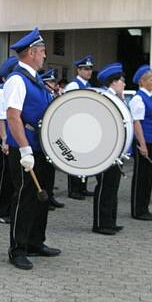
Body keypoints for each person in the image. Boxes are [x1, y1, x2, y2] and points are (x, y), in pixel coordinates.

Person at [4, 28, 61, 270]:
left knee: (42, 196)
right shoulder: (17, 80)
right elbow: (13, 117)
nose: (45, 56)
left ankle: (36, 241)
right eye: (42, 52)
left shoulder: (36, 81)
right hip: (27, 149)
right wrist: (25, 149)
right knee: (25, 198)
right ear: (31, 52)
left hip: (42, 147)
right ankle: (18, 248)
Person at [92, 62, 127, 235]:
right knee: (105, 185)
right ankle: (101, 223)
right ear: (113, 82)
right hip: (106, 150)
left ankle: (110, 221)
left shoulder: (117, 98)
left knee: (112, 186)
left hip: (115, 149)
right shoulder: (106, 98)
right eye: (122, 81)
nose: (124, 84)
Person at [129, 64, 152, 221]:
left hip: (151, 141)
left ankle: (144, 207)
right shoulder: (138, 98)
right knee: (141, 176)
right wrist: (142, 145)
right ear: (142, 82)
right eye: (151, 80)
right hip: (144, 141)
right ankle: (138, 209)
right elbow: (137, 123)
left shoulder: (149, 97)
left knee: (148, 176)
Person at [0, 56, 18, 224]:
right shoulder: (1, 92)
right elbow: (0, 118)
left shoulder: (8, 91)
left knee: (10, 176)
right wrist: (5, 140)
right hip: (4, 135)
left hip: (10, 135)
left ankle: (7, 209)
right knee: (4, 176)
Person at [64, 55, 95, 199]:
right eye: (85, 69)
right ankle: (74, 189)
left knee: (85, 158)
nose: (89, 72)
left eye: (90, 69)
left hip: (86, 126)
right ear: (78, 70)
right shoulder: (74, 85)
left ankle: (82, 187)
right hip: (76, 126)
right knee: (75, 158)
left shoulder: (88, 86)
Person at [39, 69, 65, 210]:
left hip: (52, 136)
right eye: (50, 82)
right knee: (44, 170)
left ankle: (50, 195)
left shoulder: (51, 95)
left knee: (50, 170)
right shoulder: (43, 95)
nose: (53, 84)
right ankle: (45, 198)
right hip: (44, 136)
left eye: (54, 82)